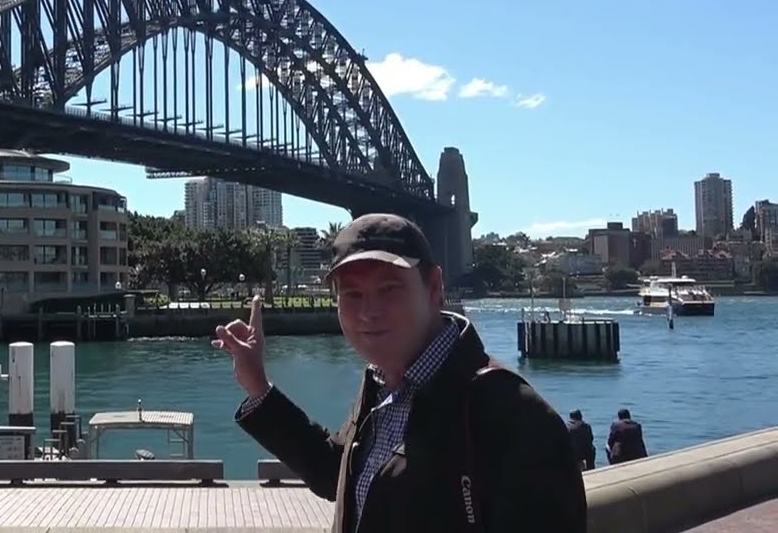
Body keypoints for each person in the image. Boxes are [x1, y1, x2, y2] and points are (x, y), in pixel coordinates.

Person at [213, 213, 587, 532]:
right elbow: (339, 473)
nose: (368, 312)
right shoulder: (380, 383)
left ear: (434, 288)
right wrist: (258, 386)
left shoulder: (513, 415)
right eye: (352, 294)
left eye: (389, 289)